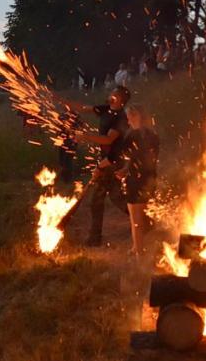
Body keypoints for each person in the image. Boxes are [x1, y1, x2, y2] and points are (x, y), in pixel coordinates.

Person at [63, 86, 131, 247]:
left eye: (114, 94)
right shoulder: (106, 109)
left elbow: (108, 140)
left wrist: (85, 136)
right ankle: (144, 220)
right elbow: (83, 108)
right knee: (112, 197)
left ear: (120, 100)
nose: (110, 95)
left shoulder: (121, 118)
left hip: (113, 161)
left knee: (102, 199)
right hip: (107, 160)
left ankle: (95, 238)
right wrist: (62, 101)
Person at [118, 104, 159, 257]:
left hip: (135, 180)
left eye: (129, 116)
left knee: (136, 218)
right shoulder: (153, 135)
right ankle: (138, 247)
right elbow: (144, 158)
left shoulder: (132, 136)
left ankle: (139, 251)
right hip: (149, 179)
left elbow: (129, 157)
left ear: (136, 116)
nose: (128, 120)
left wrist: (124, 170)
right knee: (143, 216)